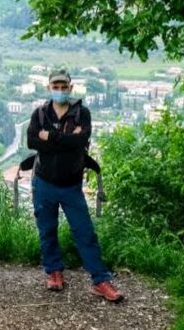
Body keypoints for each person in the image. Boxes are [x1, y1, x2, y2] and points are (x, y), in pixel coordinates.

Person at [26, 69, 124, 302]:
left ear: (70, 88)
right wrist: (67, 141)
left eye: (63, 86)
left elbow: (81, 142)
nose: (59, 90)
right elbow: (31, 141)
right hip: (44, 182)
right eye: (55, 86)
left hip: (71, 185)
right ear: (49, 88)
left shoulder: (82, 114)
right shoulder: (39, 114)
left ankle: (100, 280)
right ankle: (54, 272)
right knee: (47, 230)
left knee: (85, 232)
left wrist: (49, 137)